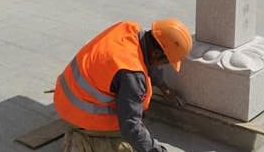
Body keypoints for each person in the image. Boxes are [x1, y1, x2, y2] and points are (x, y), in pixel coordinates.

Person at [54, 19, 193, 152]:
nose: (162, 66)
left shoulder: (128, 29)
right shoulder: (132, 75)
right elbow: (130, 126)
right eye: (165, 62)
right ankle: (83, 140)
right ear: (156, 54)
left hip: (65, 94)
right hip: (78, 112)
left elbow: (148, 62)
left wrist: (165, 88)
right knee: (127, 146)